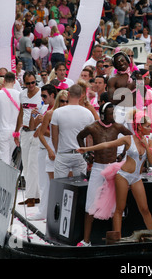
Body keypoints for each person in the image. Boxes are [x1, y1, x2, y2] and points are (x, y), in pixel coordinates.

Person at [76, 110, 152, 239]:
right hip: (123, 175)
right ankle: (117, 238)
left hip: (136, 177)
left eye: (151, 125)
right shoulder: (128, 139)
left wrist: (146, 146)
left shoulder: (149, 141)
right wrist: (86, 149)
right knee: (119, 209)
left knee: (144, 209)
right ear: (139, 127)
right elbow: (107, 144)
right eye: (147, 126)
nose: (150, 128)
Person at [76, 102, 132, 246]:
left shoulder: (117, 126)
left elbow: (131, 137)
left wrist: (123, 155)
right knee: (90, 205)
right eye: (110, 113)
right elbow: (80, 136)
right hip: (97, 168)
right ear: (102, 115)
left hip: (113, 168)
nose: (113, 116)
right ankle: (86, 240)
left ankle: (115, 241)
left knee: (115, 207)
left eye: (114, 113)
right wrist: (87, 153)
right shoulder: (93, 127)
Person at [27, 84, 59, 221]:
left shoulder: (56, 111)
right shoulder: (44, 108)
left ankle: (46, 212)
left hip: (51, 149)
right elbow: (32, 128)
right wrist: (34, 117)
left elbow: (55, 133)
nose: (42, 98)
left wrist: (42, 125)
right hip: (41, 149)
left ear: (53, 95)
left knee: (49, 184)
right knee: (42, 183)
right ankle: (44, 211)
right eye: (41, 96)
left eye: (44, 96)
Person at [51, 84, 95, 179]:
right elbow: (90, 137)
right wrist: (88, 152)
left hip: (63, 153)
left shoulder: (57, 112)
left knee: (59, 184)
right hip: (80, 154)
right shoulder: (88, 113)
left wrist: (57, 151)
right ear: (81, 96)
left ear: (69, 94)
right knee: (79, 186)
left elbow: (54, 135)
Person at [14, 71, 42, 207]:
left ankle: (31, 196)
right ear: (24, 83)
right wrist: (16, 131)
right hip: (24, 131)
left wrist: (41, 130)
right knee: (26, 164)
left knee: (33, 164)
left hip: (36, 132)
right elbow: (21, 113)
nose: (31, 85)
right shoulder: (22, 94)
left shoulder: (41, 93)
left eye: (33, 82)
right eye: (28, 83)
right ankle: (34, 195)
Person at [0, 72, 20, 165]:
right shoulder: (20, 94)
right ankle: (10, 178)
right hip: (16, 130)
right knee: (10, 157)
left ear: (4, 81)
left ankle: (4, 179)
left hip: (2, 129)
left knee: (3, 158)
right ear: (14, 81)